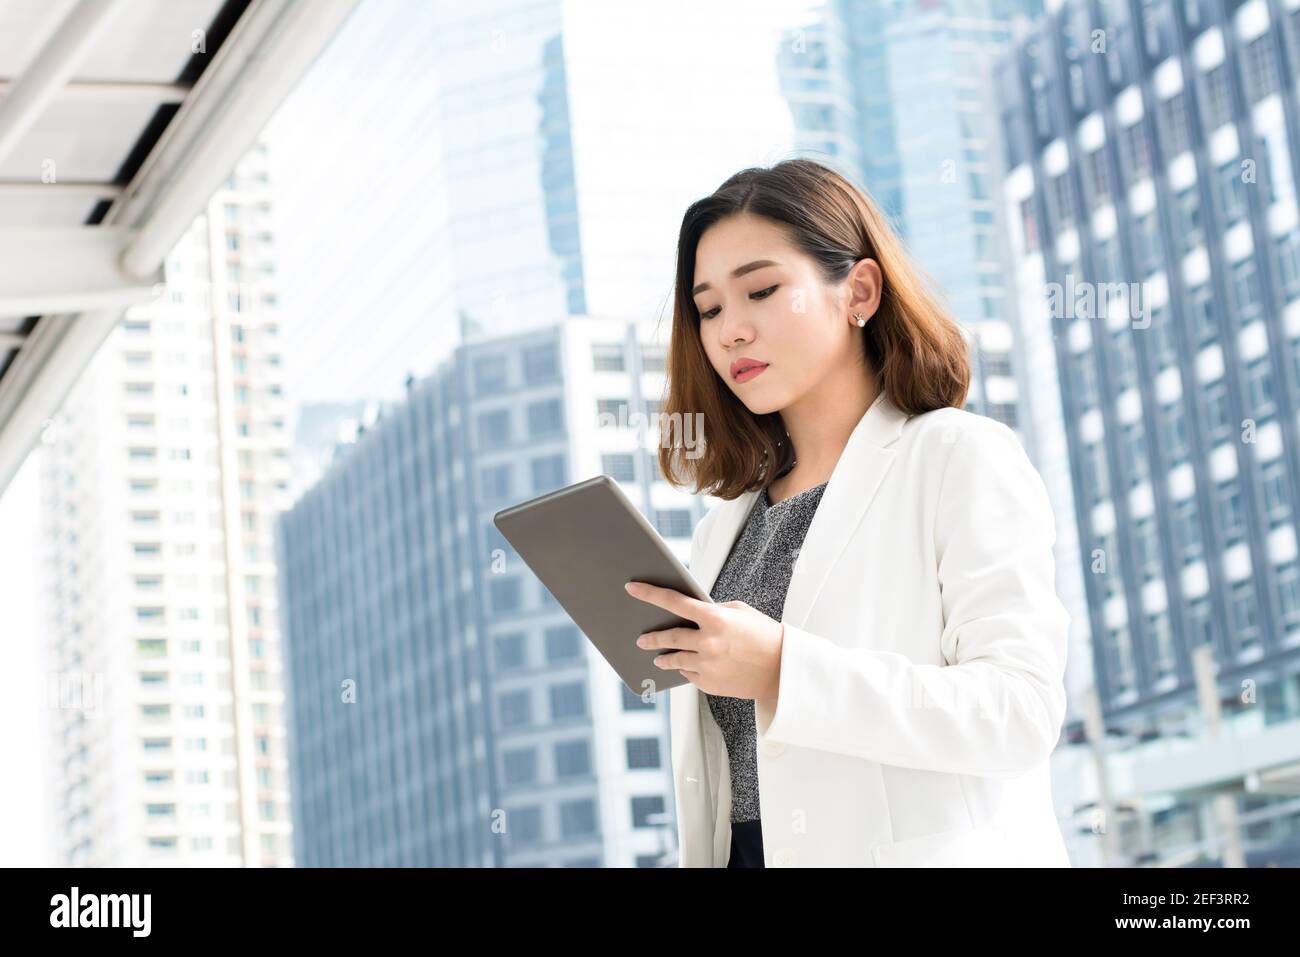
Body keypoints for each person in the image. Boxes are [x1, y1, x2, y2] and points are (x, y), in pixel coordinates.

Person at [624, 158, 1071, 867]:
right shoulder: (721, 530)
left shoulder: (957, 456)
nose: (730, 330)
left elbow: (1019, 711)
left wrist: (781, 668)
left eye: (762, 290)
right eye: (709, 310)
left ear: (859, 290)